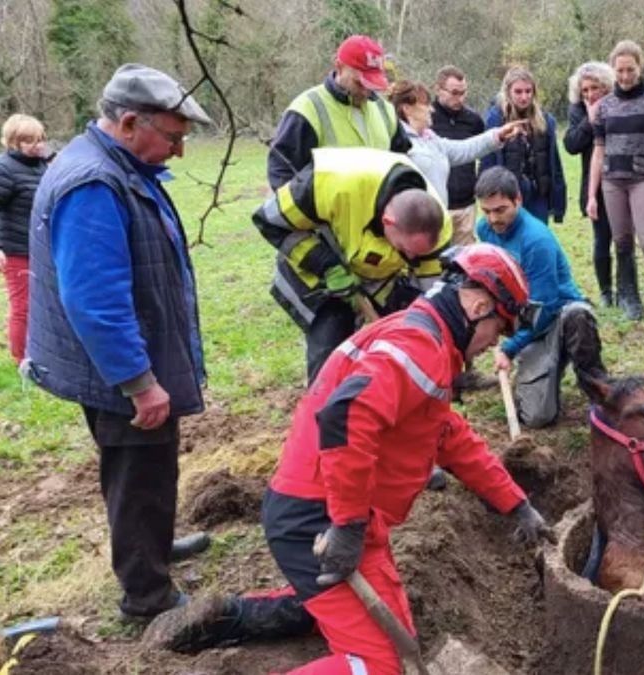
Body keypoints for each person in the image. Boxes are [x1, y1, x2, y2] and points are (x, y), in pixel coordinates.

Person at [142, 245, 556, 674]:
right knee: (382, 665)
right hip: (320, 518)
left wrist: (515, 503)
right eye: (498, 330)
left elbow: (447, 434)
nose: (493, 344)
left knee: (371, 619)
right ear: (478, 305)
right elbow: (346, 414)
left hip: (330, 510)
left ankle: (235, 616)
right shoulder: (419, 347)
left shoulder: (423, 336)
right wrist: (348, 526)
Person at [24, 64, 214, 621]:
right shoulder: (94, 184)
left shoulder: (119, 168)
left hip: (131, 358)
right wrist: (139, 382)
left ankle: (152, 547)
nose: (179, 151)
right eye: (173, 137)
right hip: (118, 373)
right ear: (130, 122)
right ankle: (147, 596)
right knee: (136, 476)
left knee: (151, 472)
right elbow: (95, 301)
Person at [252, 147, 452, 383]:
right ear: (389, 222)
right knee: (331, 344)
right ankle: (322, 407)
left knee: (409, 330)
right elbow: (268, 221)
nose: (411, 257)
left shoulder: (437, 229)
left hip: (376, 272)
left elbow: (430, 295)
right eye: (404, 249)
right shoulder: (328, 184)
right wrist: (326, 265)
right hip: (318, 269)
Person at [474, 167, 607, 428]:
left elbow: (543, 307)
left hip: (556, 315)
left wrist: (510, 348)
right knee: (536, 417)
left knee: (578, 317)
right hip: (527, 322)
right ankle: (547, 370)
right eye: (486, 211)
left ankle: (599, 393)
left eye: (500, 210)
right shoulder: (485, 230)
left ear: (518, 201)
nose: (492, 219)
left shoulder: (536, 241)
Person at [586, 41, 644, 330]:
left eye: (630, 70)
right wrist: (592, 195)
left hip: (643, 179)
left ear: (640, 68)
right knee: (622, 243)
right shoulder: (606, 107)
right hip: (613, 182)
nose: (625, 76)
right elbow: (598, 151)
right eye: (620, 71)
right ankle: (632, 301)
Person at [267, 35, 409, 190]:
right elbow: (282, 173)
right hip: (325, 213)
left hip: (378, 212)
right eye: (359, 83)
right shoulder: (307, 108)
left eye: (372, 84)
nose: (366, 91)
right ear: (339, 67)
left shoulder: (385, 110)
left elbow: (403, 164)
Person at [388, 79, 524, 207]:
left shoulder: (430, 139)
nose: (431, 109)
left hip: (436, 219)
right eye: (425, 105)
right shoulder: (396, 142)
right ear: (407, 108)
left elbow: (463, 149)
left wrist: (497, 135)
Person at [480, 67, 566, 225]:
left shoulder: (545, 120)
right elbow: (488, 161)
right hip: (507, 194)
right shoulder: (496, 120)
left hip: (538, 192)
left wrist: (558, 203)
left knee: (537, 240)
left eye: (528, 91)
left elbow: (554, 164)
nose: (524, 97)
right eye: (518, 92)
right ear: (508, 92)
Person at [564, 61, 617, 308]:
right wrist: (590, 119)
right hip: (594, 185)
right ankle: (606, 291)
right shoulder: (577, 110)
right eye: (585, 90)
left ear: (606, 87)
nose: (589, 94)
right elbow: (571, 145)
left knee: (624, 239)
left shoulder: (618, 105)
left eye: (594, 88)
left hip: (621, 178)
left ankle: (627, 291)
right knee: (601, 239)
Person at [0, 114, 49, 364]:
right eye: (28, 140)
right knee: (23, 307)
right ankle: (22, 359)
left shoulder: (42, 165)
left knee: (47, 302)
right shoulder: (4, 169)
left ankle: (43, 352)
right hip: (16, 250)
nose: (36, 144)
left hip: (41, 248)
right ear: (12, 142)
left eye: (39, 138)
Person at [430, 65, 488, 245]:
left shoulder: (474, 121)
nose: (460, 99)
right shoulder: (426, 119)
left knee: (464, 262)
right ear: (438, 89)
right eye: (454, 93)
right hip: (436, 205)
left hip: (466, 205)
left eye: (463, 93)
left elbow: (482, 155)